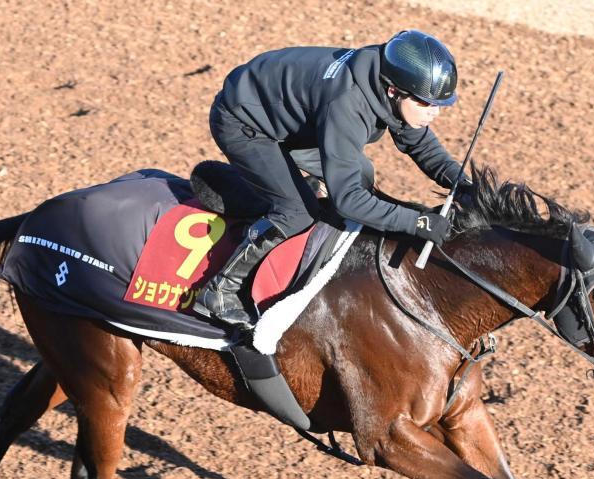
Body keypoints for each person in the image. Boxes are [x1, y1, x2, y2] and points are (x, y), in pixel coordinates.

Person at [192, 30, 466, 331]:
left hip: (292, 121)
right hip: (243, 122)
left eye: (438, 105)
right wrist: (417, 222)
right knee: (297, 212)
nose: (434, 113)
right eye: (426, 104)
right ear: (393, 91)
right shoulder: (348, 102)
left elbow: (420, 144)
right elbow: (348, 201)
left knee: (361, 174)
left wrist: (464, 185)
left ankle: (287, 195)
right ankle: (221, 290)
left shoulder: (387, 78)